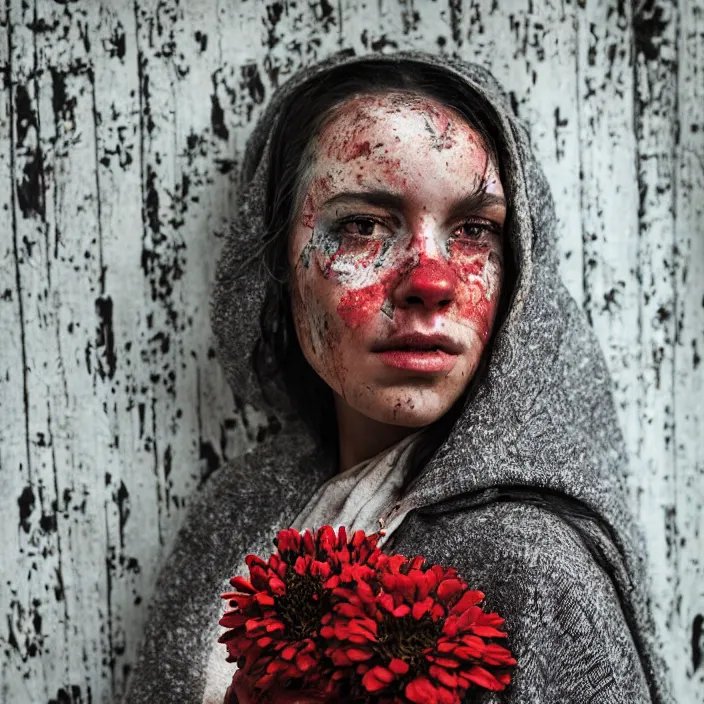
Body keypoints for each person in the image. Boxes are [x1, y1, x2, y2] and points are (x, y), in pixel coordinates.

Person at [120, 50, 673, 704]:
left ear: (521, 274)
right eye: (361, 224)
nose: (431, 284)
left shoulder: (538, 573)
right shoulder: (238, 511)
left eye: (473, 230)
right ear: (275, 266)